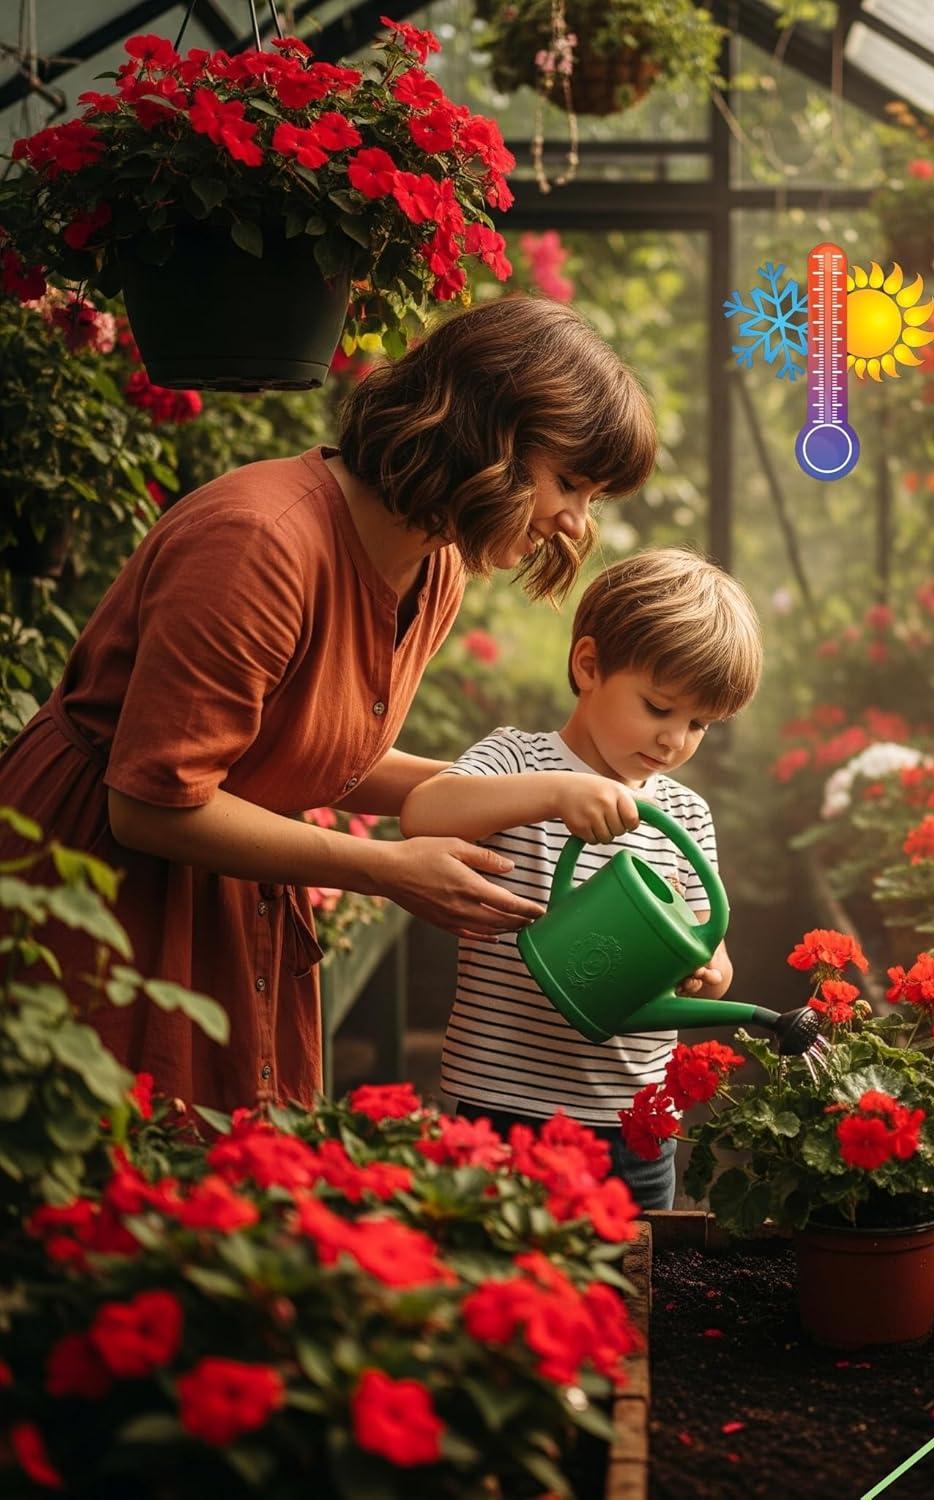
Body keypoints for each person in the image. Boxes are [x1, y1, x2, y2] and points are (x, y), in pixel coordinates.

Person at [0, 297, 657, 1113]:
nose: (572, 524)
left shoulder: (435, 561)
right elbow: (149, 804)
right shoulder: (259, 544)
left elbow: (320, 752)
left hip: (220, 872)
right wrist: (385, 869)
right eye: (570, 483)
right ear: (486, 434)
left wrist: (523, 794)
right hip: (98, 875)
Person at [400, 548, 762, 1208]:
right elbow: (423, 812)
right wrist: (555, 793)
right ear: (588, 665)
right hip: (502, 1102)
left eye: (698, 724)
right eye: (658, 708)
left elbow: (712, 942)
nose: (675, 740)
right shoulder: (519, 761)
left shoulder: (684, 812)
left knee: (628, 1289)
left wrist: (711, 972)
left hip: (637, 1120)